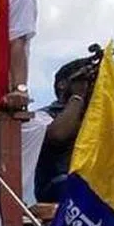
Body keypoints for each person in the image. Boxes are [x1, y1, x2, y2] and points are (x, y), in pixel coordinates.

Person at [33, 57, 94, 203]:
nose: (87, 85)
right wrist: (78, 96)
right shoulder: (42, 115)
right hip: (57, 186)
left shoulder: (95, 116)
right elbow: (58, 135)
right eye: (82, 80)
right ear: (62, 85)